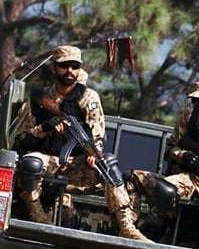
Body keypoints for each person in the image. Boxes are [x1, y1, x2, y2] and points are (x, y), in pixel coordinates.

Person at [107, 68, 199, 243]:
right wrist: (186, 157)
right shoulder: (192, 113)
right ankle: (138, 230)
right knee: (161, 189)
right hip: (190, 178)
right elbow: (171, 148)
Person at [13, 45, 126, 227]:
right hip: (45, 162)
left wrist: (93, 154)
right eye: (64, 66)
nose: (70, 71)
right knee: (30, 163)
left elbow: (97, 134)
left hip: (76, 167)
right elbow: (21, 139)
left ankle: (125, 226)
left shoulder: (88, 98)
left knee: (109, 165)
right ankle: (38, 217)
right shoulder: (41, 98)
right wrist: (45, 127)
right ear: (54, 68)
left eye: (75, 66)